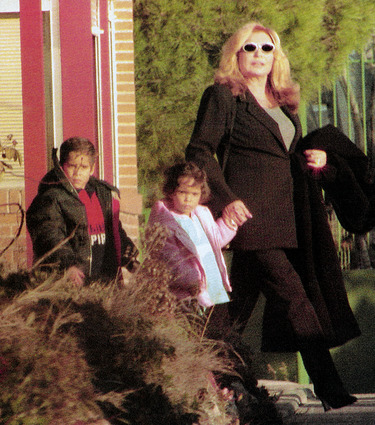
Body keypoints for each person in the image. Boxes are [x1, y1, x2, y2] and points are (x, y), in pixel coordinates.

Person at [186, 21, 360, 411]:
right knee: (297, 299)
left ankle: (194, 378)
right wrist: (226, 200)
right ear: (236, 52)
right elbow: (199, 151)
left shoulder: (282, 100)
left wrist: (312, 158)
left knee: (232, 314)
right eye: (250, 48)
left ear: (275, 56)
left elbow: (278, 155)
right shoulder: (223, 96)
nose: (259, 55)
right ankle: (331, 390)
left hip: (288, 218)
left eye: (267, 48)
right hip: (251, 220)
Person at [26, 137, 139, 286]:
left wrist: (129, 255)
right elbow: (50, 238)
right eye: (72, 166)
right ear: (61, 166)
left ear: (92, 169)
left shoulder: (103, 194)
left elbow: (114, 231)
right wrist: (68, 265)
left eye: (84, 167)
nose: (77, 172)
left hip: (106, 280)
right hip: (70, 281)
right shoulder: (51, 198)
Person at [147, 161, 238, 312]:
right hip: (186, 294)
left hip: (213, 287)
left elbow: (216, 239)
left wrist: (229, 223)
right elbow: (170, 257)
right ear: (171, 191)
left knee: (217, 330)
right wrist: (193, 280)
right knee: (192, 332)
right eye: (183, 192)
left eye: (194, 194)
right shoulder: (165, 219)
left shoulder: (201, 214)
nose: (188, 199)